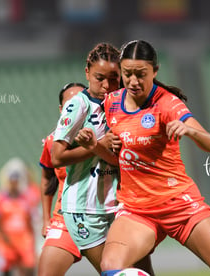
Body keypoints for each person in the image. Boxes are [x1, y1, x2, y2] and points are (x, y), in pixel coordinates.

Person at [75, 40, 210, 276]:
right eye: (127, 74)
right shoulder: (112, 103)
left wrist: (190, 130)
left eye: (141, 74)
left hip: (179, 203)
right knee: (111, 267)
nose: (133, 81)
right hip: (137, 209)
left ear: (155, 71)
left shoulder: (167, 103)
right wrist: (94, 145)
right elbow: (118, 159)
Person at [51, 42, 154, 275]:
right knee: (116, 272)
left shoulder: (122, 105)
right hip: (85, 210)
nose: (106, 86)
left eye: (114, 78)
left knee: (144, 270)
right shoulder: (78, 106)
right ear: (87, 73)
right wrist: (94, 147)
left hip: (119, 207)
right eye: (100, 78)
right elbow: (56, 157)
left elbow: (120, 159)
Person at [38, 82, 86, 276]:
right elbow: (47, 177)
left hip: (103, 216)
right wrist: (45, 218)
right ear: (61, 110)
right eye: (69, 104)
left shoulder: (107, 133)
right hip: (65, 217)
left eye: (80, 102)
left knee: (120, 269)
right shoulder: (52, 142)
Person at [0, 169, 36, 276]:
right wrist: (3, 237)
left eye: (16, 181)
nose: (14, 184)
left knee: (29, 267)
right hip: (6, 239)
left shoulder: (26, 198)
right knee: (5, 269)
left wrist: (32, 237)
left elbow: (29, 219)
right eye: (11, 181)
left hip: (24, 238)